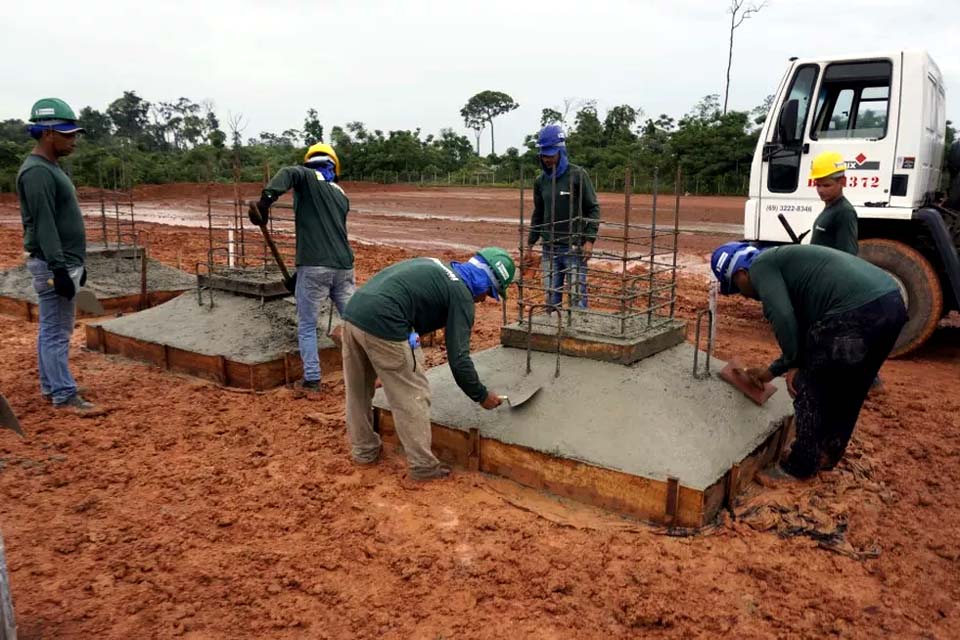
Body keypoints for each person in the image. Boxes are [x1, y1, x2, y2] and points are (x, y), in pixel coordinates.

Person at [710, 242, 907, 480]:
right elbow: (803, 322)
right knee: (852, 386)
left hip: (856, 311)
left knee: (808, 383)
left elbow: (783, 317)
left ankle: (801, 465)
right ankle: (828, 452)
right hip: (891, 304)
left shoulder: (761, 267)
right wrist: (774, 370)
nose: (744, 296)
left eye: (737, 288)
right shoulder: (788, 264)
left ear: (741, 273)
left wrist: (794, 364)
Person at [340, 248, 516, 480]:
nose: (484, 299)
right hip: (385, 321)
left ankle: (364, 451)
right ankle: (423, 466)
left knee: (358, 390)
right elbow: (459, 359)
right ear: (484, 283)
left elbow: (412, 305)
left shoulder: (439, 267)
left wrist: (399, 350)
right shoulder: (461, 294)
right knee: (412, 394)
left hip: (353, 313)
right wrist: (481, 395)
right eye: (489, 293)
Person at [248, 143, 354, 392]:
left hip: (315, 266)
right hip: (344, 267)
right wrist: (299, 276)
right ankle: (372, 372)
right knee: (356, 322)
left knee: (307, 325)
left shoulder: (306, 175)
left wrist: (265, 203)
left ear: (309, 162)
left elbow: (289, 172)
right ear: (334, 166)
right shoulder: (341, 195)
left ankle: (312, 380)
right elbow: (328, 234)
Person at [17, 98, 92, 410]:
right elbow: (46, 225)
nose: (73, 139)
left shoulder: (48, 168)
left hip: (61, 261)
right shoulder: (37, 173)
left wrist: (76, 263)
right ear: (47, 133)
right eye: (67, 134)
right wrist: (59, 269)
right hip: (52, 264)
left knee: (53, 328)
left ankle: (53, 387)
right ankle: (63, 394)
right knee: (57, 332)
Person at [525, 124, 600, 311]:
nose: (547, 159)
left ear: (561, 151)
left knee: (577, 298)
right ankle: (553, 334)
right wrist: (530, 244)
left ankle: (579, 332)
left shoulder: (577, 175)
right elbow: (538, 214)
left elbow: (593, 209)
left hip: (574, 247)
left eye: (551, 154)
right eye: (544, 155)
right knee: (551, 298)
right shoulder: (540, 181)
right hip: (549, 248)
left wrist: (589, 240)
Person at [808, 151, 858, 255]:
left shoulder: (845, 212)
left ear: (842, 182)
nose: (821, 190)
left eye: (826, 185)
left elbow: (847, 256)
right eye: (818, 185)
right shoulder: (830, 207)